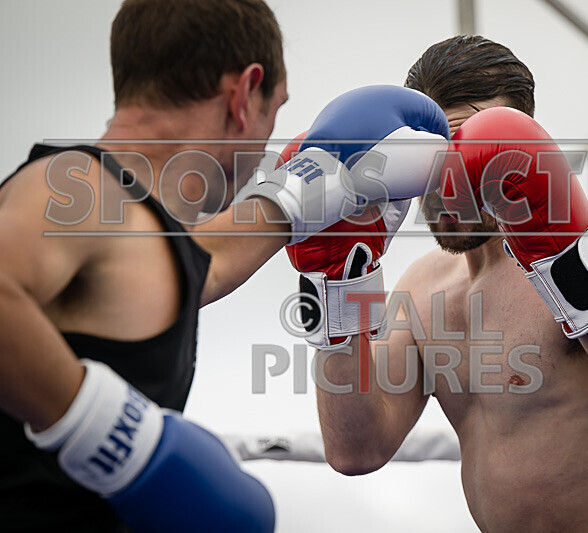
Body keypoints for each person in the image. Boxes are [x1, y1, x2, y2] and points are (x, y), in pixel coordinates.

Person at [0, 0, 449, 530]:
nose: (265, 144)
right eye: (274, 110)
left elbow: (204, 260)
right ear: (243, 95)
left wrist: (326, 184)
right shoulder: (78, 188)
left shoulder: (136, 231)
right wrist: (114, 439)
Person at [302, 35, 588, 532]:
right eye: (437, 156)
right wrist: (336, 285)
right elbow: (356, 449)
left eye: (473, 152)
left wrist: (566, 265)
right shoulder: (423, 287)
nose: (452, 183)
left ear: (521, 148)